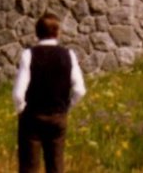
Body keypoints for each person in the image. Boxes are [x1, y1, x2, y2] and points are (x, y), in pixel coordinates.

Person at [13, 13, 86, 173]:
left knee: (29, 167)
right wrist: (67, 107)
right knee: (56, 165)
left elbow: (19, 93)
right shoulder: (69, 55)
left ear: (37, 32)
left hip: (32, 116)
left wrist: (21, 110)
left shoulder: (29, 55)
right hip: (58, 116)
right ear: (57, 32)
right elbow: (80, 89)